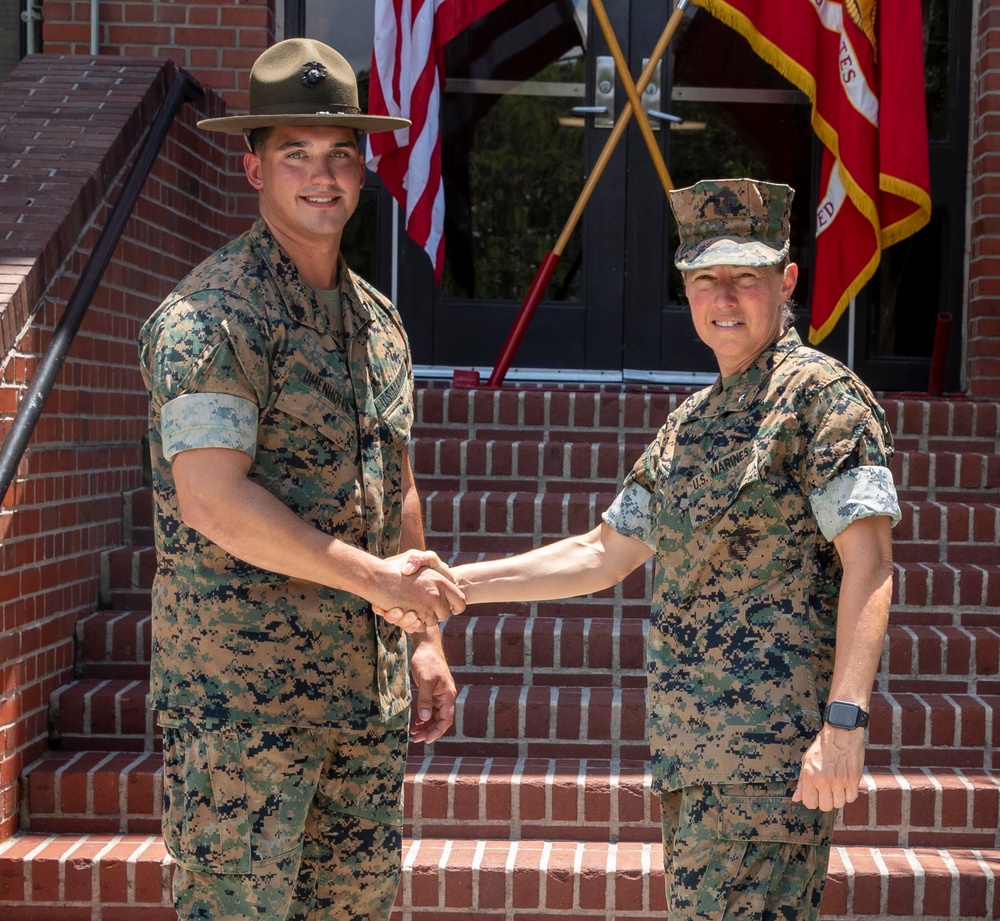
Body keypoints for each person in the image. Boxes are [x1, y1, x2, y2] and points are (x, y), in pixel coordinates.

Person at [420, 179, 901, 919]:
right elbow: (602, 552)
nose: (725, 297)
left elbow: (870, 565)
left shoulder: (820, 399)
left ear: (787, 280)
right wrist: (454, 586)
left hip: (770, 765)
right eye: (707, 278)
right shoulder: (692, 423)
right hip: (695, 762)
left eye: (746, 276)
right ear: (686, 286)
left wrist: (844, 723)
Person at [138, 38, 465, 921]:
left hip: (362, 703)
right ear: (253, 167)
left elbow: (394, 484)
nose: (323, 176)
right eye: (296, 154)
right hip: (245, 709)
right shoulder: (212, 317)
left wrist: (422, 637)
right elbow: (212, 500)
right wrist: (376, 581)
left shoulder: (379, 323)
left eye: (340, 155)